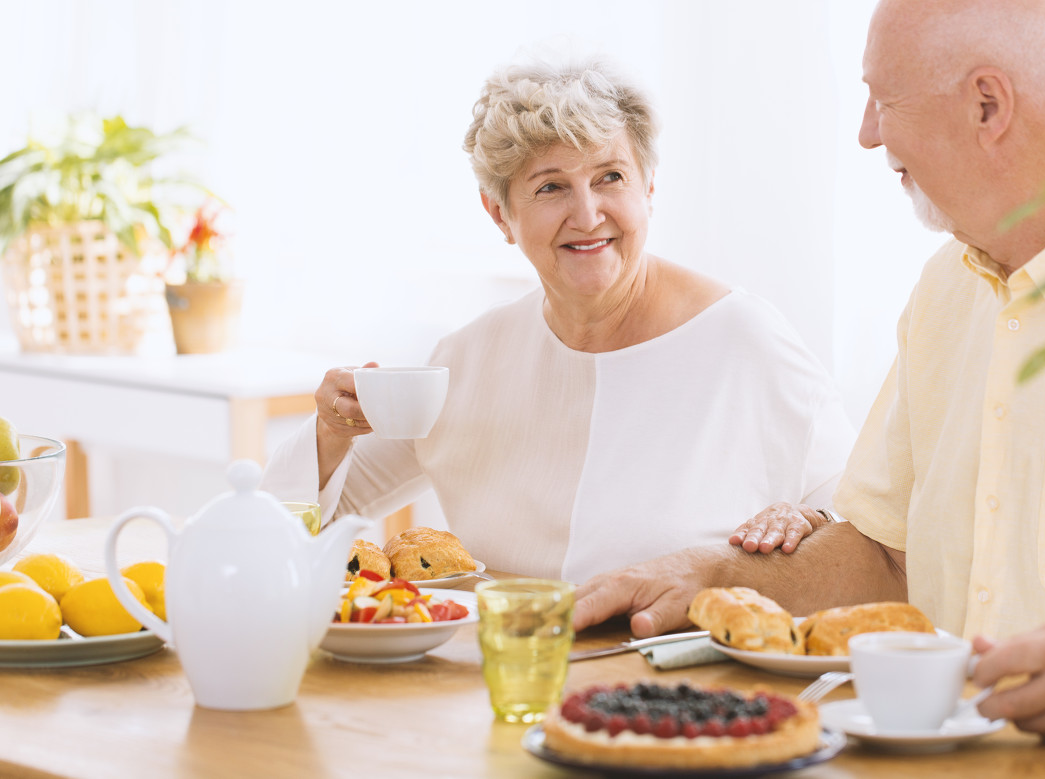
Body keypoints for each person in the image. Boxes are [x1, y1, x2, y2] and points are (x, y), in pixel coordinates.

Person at [573, 0, 1045, 747]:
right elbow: (887, 558)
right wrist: (705, 574)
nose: (864, 134)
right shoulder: (945, 291)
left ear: (987, 106)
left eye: (883, 98)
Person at [261, 55, 855, 583]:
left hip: (675, 686)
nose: (588, 213)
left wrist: (808, 520)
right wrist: (331, 432)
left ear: (648, 188)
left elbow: (867, 531)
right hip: (502, 680)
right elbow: (295, 526)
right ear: (500, 213)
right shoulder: (468, 359)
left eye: (610, 178)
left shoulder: (742, 340)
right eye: (550, 188)